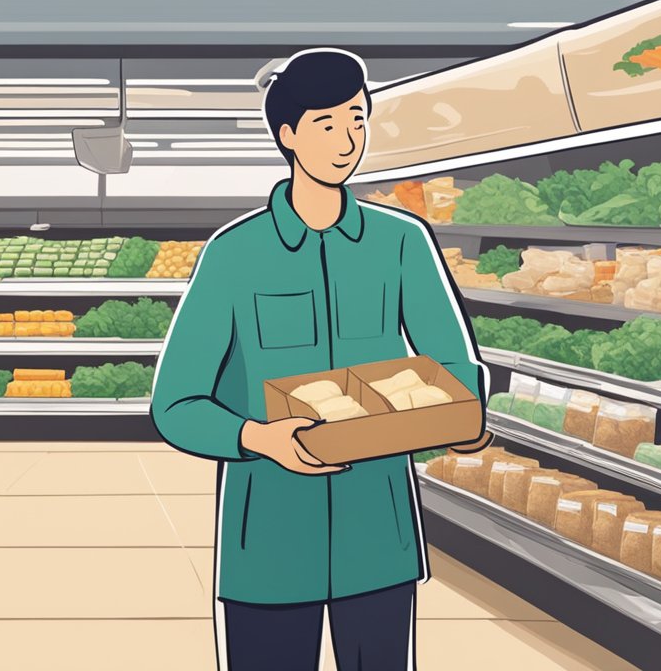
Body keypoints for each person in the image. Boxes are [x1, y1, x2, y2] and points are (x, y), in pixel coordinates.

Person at [151, 48, 489, 670]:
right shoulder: (235, 252)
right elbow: (175, 402)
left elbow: (453, 360)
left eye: (357, 120)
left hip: (378, 535)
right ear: (288, 135)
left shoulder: (402, 242)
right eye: (327, 124)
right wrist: (256, 437)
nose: (347, 139)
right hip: (271, 543)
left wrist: (462, 422)